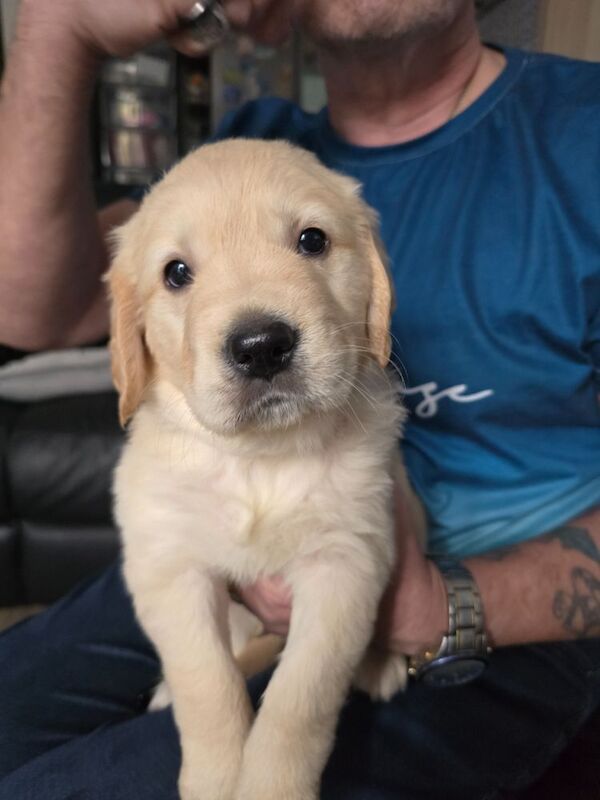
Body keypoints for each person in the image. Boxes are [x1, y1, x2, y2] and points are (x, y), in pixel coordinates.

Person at [0, 1, 599, 798]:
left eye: (311, 242)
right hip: (224, 543)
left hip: (496, 609)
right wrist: (58, 28)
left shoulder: (583, 134)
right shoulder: (248, 144)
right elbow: (42, 306)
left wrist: (438, 606)